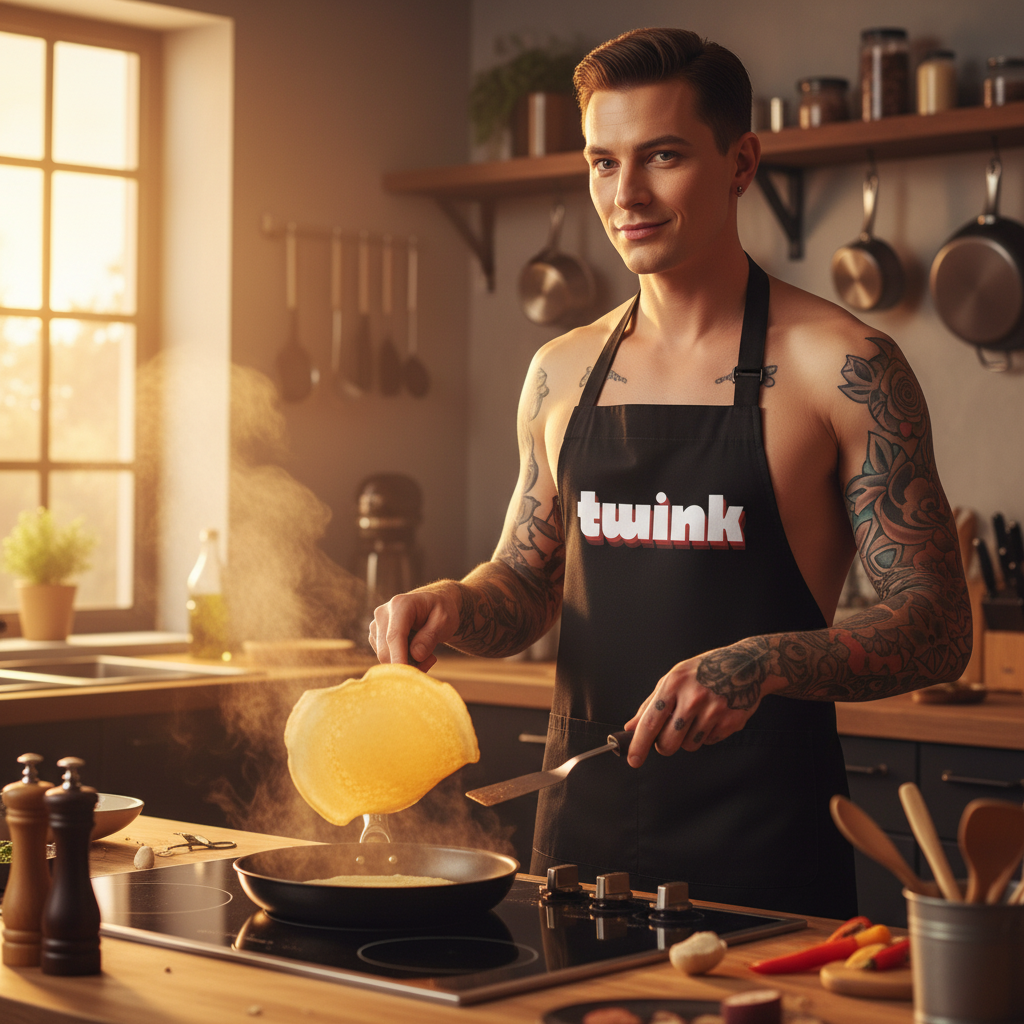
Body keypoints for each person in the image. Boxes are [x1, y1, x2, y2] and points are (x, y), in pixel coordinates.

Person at [369, 27, 972, 918]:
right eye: (602, 163)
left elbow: (937, 626)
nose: (627, 195)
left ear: (740, 162)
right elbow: (527, 586)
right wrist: (455, 603)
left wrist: (763, 661)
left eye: (662, 156)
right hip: (576, 849)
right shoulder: (561, 370)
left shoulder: (843, 367)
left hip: (767, 863)